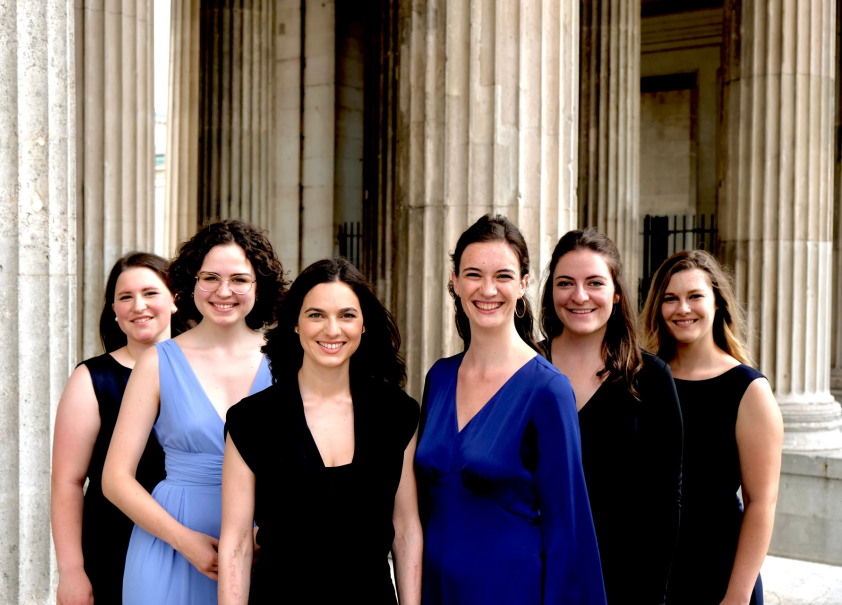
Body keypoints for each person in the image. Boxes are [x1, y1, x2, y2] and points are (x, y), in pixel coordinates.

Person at [415, 214, 606, 605]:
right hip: (434, 589)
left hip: (510, 590)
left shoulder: (548, 389)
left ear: (522, 285)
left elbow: (567, 527)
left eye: (503, 275)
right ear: (454, 282)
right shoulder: (439, 377)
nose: (488, 289)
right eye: (473, 274)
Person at [103, 220, 288, 605]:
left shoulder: (287, 362)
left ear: (259, 286)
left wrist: (264, 535)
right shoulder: (157, 362)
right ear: (190, 282)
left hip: (267, 548)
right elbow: (115, 479)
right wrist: (184, 541)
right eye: (210, 277)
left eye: (239, 279)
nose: (224, 291)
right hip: (171, 543)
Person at [218, 258, 422, 605]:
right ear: (295, 324)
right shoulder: (251, 420)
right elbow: (236, 542)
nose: (332, 330)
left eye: (346, 315)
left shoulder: (397, 412)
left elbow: (405, 530)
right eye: (316, 315)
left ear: (363, 325)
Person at [538, 229, 683, 604]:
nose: (579, 296)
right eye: (565, 283)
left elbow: (666, 502)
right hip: (536, 571)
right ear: (550, 291)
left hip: (623, 578)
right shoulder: (524, 368)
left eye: (595, 283)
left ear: (617, 294)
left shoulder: (650, 377)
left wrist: (653, 594)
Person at [640, 250, 783, 605]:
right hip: (650, 566)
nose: (682, 309)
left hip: (718, 572)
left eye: (695, 297)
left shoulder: (748, 390)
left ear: (718, 303)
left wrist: (735, 597)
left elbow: (762, 502)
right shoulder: (643, 379)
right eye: (670, 299)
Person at [51, 252, 175, 605]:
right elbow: (67, 481)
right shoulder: (91, 379)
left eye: (151, 293)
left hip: (196, 540)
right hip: (112, 546)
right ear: (115, 312)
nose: (139, 305)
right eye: (125, 297)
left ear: (175, 300)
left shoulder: (203, 372)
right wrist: (72, 572)